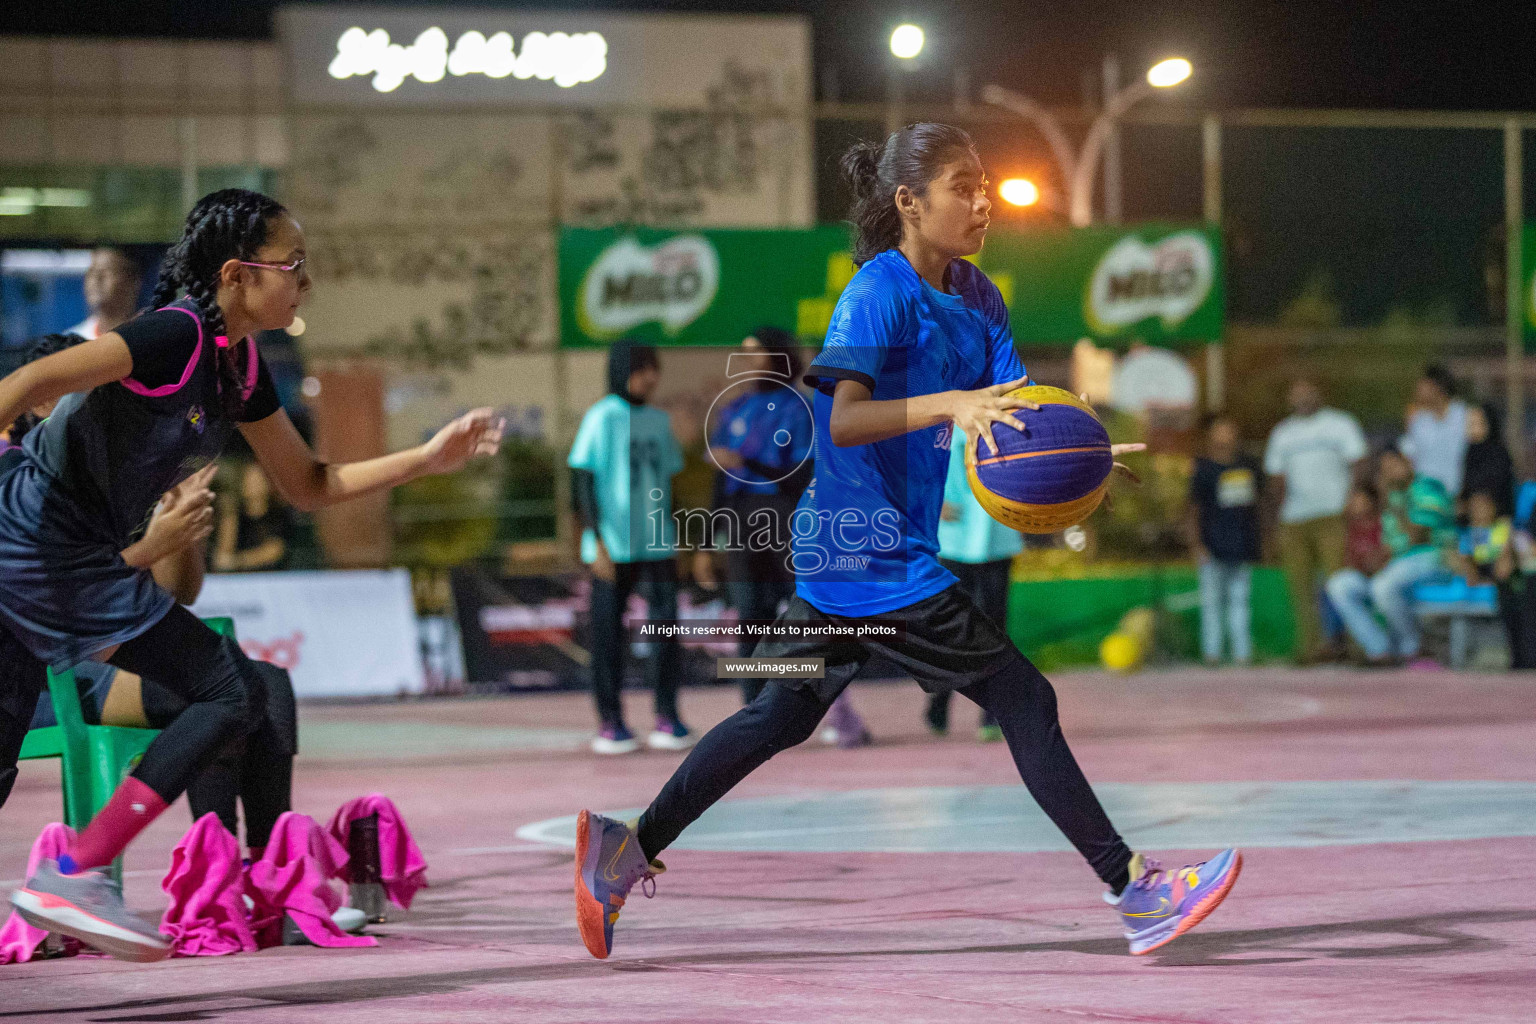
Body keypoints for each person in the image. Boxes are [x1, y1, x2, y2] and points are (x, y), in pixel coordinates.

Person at [572, 123, 1241, 962]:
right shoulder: (877, 292)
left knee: (780, 715)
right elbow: (841, 419)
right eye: (963, 186)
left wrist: (1084, 455)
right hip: (870, 553)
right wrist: (946, 408)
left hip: (852, 552)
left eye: (985, 183)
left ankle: (622, 854)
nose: (983, 200)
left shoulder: (980, 298)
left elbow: (1013, 408)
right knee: (1024, 700)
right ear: (909, 203)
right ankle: (1134, 889)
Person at [1, 188, 503, 962]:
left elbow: (310, 486)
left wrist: (426, 458)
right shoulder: (174, 336)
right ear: (238, 275)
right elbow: (26, 387)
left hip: (50, 548)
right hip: (37, 537)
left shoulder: (240, 369)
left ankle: (78, 872)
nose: (306, 283)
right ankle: (78, 870)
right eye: (294, 266)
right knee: (227, 688)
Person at [569, 338, 694, 755]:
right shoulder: (601, 418)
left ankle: (667, 716)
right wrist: (597, 542)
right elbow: (581, 484)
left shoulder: (659, 422)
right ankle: (611, 722)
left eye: (654, 368)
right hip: (612, 546)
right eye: (643, 368)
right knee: (607, 637)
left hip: (657, 543)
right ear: (623, 370)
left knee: (665, 632)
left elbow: (669, 484)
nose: (651, 376)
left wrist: (681, 540)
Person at [924, 423, 1017, 740]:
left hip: (998, 536)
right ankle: (940, 698)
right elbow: (912, 465)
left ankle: (993, 711)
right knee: (952, 626)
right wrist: (928, 499)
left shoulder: (1008, 421)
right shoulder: (937, 416)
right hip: (953, 539)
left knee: (993, 627)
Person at [1264, 378, 1367, 663]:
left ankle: (1356, 646)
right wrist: (1274, 522)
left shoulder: (1339, 424)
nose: (1303, 399)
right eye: (1297, 394)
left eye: (1308, 392)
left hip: (1333, 515)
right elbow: (1276, 479)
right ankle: (1311, 649)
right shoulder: (1283, 433)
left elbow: (1358, 461)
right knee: (1301, 589)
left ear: (1320, 394)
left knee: (1340, 585)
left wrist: (1354, 496)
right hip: (1294, 519)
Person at [1325, 449, 1455, 665]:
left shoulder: (1427, 487)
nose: (1391, 473)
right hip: (1399, 565)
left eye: (1394, 466)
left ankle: (1412, 648)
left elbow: (1417, 535)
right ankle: (1379, 650)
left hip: (1433, 558)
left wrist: (1393, 503)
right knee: (1340, 585)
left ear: (1407, 462)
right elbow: (1391, 544)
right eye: (1385, 470)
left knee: (1383, 587)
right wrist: (1373, 562)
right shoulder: (1393, 497)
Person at [1187, 415, 1264, 666]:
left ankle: (1242, 654)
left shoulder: (1249, 467)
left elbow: (1261, 505)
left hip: (1242, 543)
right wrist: (1196, 544)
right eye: (1220, 432)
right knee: (1212, 603)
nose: (1225, 437)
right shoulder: (1204, 469)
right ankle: (1212, 653)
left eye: (1230, 431)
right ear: (1211, 437)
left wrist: (1263, 539)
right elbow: (1193, 509)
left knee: (1240, 601)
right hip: (1212, 545)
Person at [1453, 489, 1536, 668]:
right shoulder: (1468, 536)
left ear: (1493, 508)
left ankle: (1523, 657)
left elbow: (1505, 564)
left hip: (1509, 577)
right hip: (1490, 577)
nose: (1480, 511)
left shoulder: (1504, 528)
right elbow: (1471, 574)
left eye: (1484, 506)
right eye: (1475, 508)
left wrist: (1506, 552)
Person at [1400, 363, 1469, 497]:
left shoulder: (1464, 415)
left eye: (1422, 385)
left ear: (1437, 387)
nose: (1417, 390)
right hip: (1425, 496)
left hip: (1458, 496)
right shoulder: (1418, 421)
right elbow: (1408, 456)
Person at [213, 461, 291, 572]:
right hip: (240, 579)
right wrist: (229, 517)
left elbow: (275, 550)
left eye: (259, 479)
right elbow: (223, 558)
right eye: (250, 479)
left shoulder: (277, 512)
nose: (255, 485)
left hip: (274, 576)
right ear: (242, 484)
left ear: (267, 483)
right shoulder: (235, 514)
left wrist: (238, 561)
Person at [69, 247, 144, 340]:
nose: (97, 279)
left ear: (133, 280)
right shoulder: (73, 341)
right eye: (92, 271)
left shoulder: (149, 335)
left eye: (108, 271)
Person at [1460, 403, 1514, 517]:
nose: (1471, 428)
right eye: (1470, 423)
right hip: (1471, 519)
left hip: (1496, 517)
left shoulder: (1499, 454)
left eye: (1476, 423)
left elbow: (1498, 489)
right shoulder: (1470, 452)